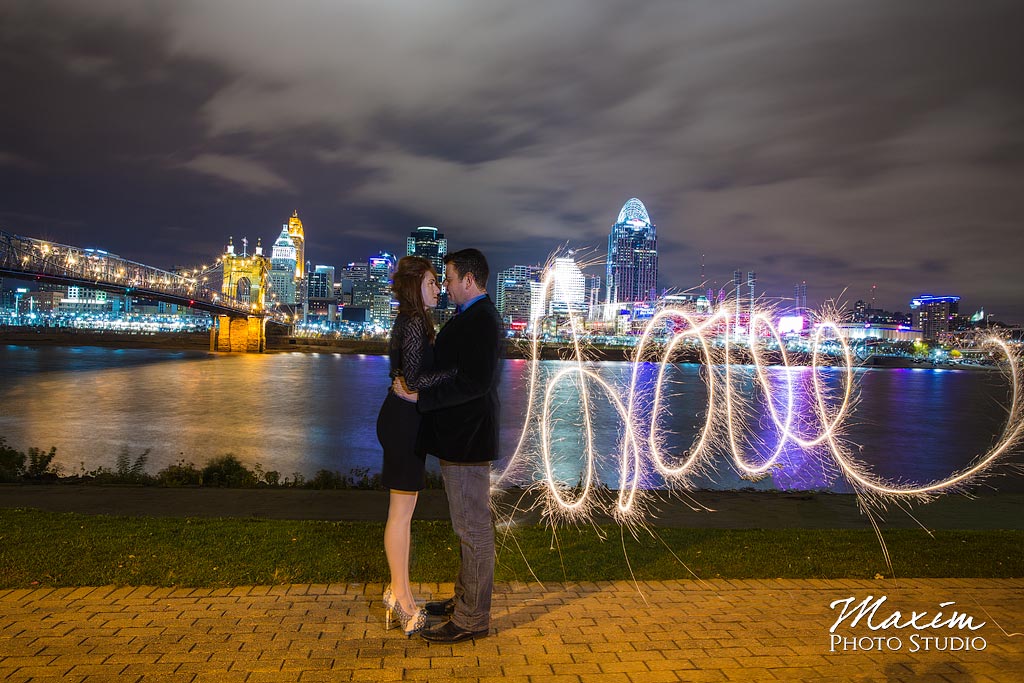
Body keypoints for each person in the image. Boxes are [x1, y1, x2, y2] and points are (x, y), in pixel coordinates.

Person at [393, 248, 504, 644]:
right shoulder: (471, 318)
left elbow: (474, 383)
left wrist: (420, 400)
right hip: (461, 439)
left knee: (473, 530)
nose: (447, 285)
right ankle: (464, 601)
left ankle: (472, 619)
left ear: (469, 280)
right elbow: (457, 372)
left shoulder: (482, 322)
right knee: (468, 527)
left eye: (451, 278)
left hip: (467, 441)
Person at [376, 255, 454, 637]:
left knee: (404, 511)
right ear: (414, 286)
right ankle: (403, 602)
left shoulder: (417, 322)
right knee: (401, 514)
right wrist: (456, 373)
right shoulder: (411, 322)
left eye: (438, 282)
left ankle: (398, 592)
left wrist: (416, 387)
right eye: (431, 282)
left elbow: (411, 381)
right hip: (402, 423)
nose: (438, 288)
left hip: (408, 418)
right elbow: (415, 377)